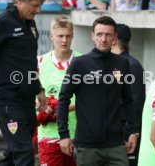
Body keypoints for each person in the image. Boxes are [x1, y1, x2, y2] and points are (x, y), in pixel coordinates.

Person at [0, 0, 47, 165]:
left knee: (14, 155)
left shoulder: (30, 23)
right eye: (35, 6)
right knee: (24, 153)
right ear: (19, 0)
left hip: (27, 100)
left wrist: (39, 89)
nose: (38, 10)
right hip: (8, 101)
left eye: (40, 6)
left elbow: (28, 62)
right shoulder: (1, 23)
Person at [57, 16, 139, 166]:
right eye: (99, 34)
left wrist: (133, 131)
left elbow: (128, 100)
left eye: (108, 35)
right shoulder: (79, 64)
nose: (103, 39)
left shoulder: (122, 63)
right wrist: (64, 134)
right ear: (92, 36)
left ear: (115, 37)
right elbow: (63, 99)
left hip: (116, 144)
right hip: (87, 145)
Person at [36, 16, 81, 166]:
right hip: (48, 135)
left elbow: (92, 99)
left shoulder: (83, 62)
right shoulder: (39, 62)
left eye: (68, 36)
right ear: (51, 36)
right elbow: (29, 96)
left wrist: (62, 109)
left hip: (78, 135)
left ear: (73, 36)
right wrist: (41, 106)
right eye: (60, 36)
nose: (64, 40)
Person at [111, 23, 146, 166]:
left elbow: (135, 104)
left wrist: (130, 133)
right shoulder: (111, 64)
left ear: (114, 39)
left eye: (108, 35)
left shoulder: (132, 66)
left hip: (124, 137)